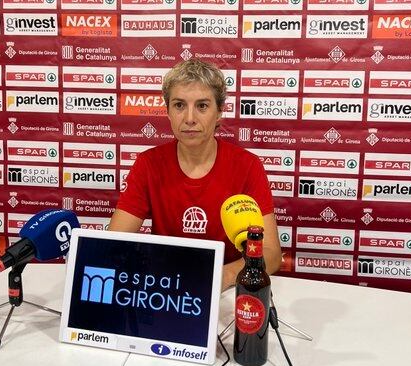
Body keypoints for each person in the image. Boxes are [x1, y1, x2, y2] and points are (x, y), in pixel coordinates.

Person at [108, 59, 282, 291]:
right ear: (167, 111)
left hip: (227, 291)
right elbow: (112, 244)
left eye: (202, 106)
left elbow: (271, 255)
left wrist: (224, 275)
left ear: (219, 112)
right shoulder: (148, 164)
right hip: (165, 290)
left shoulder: (247, 165)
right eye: (179, 105)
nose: (189, 118)